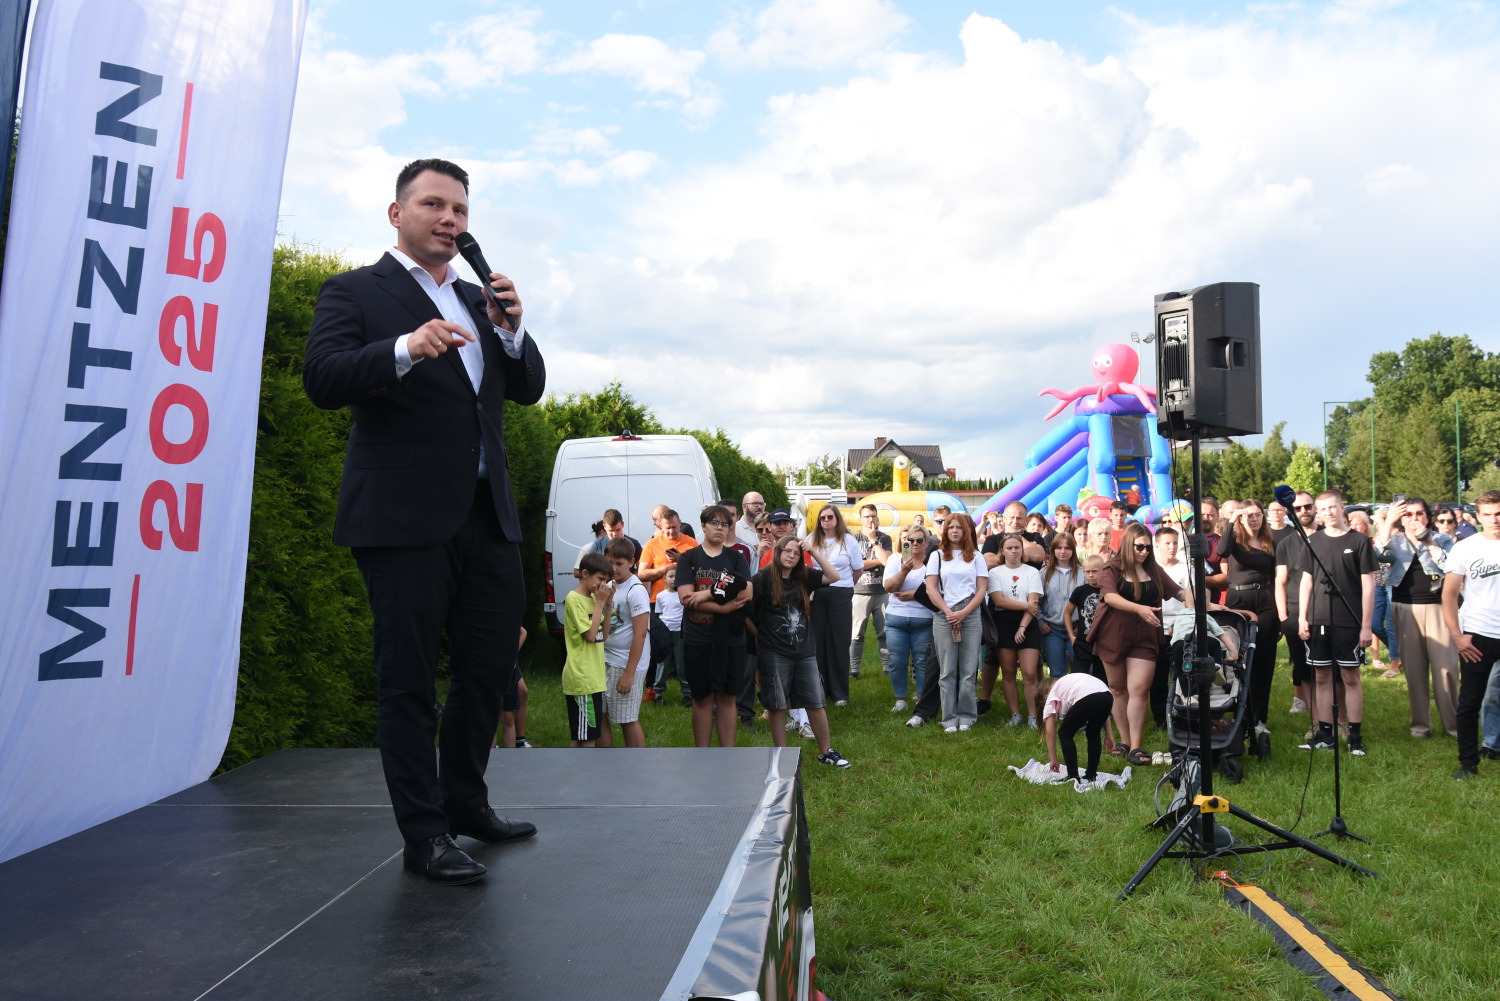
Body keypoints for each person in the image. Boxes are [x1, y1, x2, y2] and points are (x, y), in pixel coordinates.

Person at [302, 157, 544, 884]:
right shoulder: (354, 290)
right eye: (434, 204)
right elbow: (323, 378)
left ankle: (466, 802)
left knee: (490, 670)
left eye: (460, 209)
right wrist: (406, 348)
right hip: (402, 519)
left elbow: (527, 389)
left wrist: (511, 332)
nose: (449, 219)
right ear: (396, 213)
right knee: (407, 680)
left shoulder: (477, 297)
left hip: (487, 517)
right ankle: (424, 833)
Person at [1090, 522, 1191, 766]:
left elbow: (1179, 593)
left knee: (1139, 689)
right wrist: (1139, 608)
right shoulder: (1112, 568)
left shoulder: (1153, 569)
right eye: (1139, 547)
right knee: (1117, 689)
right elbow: (1109, 596)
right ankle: (1124, 741)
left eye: (1148, 547)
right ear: (1128, 544)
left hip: (1145, 636)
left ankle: (1135, 746)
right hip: (1114, 634)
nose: (1144, 552)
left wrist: (1203, 601)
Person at [748, 536, 852, 768]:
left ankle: (826, 752)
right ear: (778, 551)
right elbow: (745, 609)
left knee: (815, 701)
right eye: (787, 551)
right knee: (777, 704)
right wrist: (759, 635)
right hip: (774, 651)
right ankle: (781, 755)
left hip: (804, 650)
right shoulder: (763, 577)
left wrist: (812, 552)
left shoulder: (803, 575)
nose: (791, 556)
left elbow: (834, 576)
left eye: (796, 553)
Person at [1297, 491, 1376, 755]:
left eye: (1332, 507)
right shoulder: (1313, 541)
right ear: (1317, 513)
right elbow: (1306, 581)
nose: (1328, 513)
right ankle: (1325, 734)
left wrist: (1366, 626)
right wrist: (1302, 617)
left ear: (1342, 508)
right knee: (1321, 676)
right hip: (1318, 619)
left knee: (1350, 676)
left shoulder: (1360, 541)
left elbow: (1368, 586)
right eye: (1322, 509)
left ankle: (1355, 736)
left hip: (1349, 620)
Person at [1375, 497, 1458, 738]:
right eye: (1408, 514)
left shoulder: (1443, 539)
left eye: (1419, 513)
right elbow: (1378, 555)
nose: (1414, 519)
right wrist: (1388, 523)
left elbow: (1449, 567)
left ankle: (1454, 726)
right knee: (1414, 669)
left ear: (1427, 516)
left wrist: (1427, 540)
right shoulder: (1394, 540)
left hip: (1438, 608)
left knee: (1446, 669)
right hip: (1404, 608)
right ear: (1401, 519)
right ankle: (1420, 726)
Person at [675, 506, 754, 747]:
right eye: (714, 523)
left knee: (728, 697)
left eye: (725, 524)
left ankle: (726, 756)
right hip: (698, 637)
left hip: (730, 638)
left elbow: (746, 593)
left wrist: (706, 594)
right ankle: (702, 755)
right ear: (703, 526)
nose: (720, 528)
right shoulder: (688, 558)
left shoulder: (736, 558)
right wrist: (724, 607)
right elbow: (686, 598)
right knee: (702, 698)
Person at [1443, 491, 1500, 779]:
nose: (1494, 519)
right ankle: (1468, 764)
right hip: (1478, 635)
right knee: (1469, 702)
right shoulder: (1465, 548)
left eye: (1498, 513)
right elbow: (1449, 595)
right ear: (1477, 516)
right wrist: (1458, 637)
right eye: (1487, 514)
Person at [1216, 499, 1280, 737]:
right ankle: (1237, 715)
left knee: (1264, 661)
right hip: (1240, 602)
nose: (1254, 519)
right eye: (1249, 515)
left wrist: (1280, 616)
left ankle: (1258, 718)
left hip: (1266, 601)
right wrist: (1233, 520)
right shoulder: (1234, 539)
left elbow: (1275, 577)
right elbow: (1221, 551)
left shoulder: (1269, 542)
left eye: (1257, 514)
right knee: (1239, 661)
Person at [924, 513, 989, 732]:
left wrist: (964, 613)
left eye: (959, 527)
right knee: (947, 670)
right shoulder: (937, 555)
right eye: (950, 527)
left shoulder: (977, 557)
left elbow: (981, 590)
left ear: (966, 531)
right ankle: (949, 718)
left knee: (969, 670)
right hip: (944, 615)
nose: (954, 531)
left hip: (970, 614)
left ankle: (967, 716)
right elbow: (931, 588)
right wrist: (949, 612)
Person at [983, 534, 1045, 728]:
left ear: (1022, 550)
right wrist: (1026, 605)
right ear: (1002, 551)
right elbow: (999, 601)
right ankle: (1015, 714)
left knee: (1030, 673)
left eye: (1017, 547)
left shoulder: (1032, 572)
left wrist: (1023, 626)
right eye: (1009, 548)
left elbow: (1033, 604)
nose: (1014, 551)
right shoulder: (995, 573)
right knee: (1008, 672)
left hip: (1028, 623)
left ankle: (1033, 716)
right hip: (1003, 623)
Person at [809, 506, 864, 707]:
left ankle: (840, 693)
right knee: (818, 643)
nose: (826, 520)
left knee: (839, 642)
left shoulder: (848, 540)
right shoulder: (811, 539)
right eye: (822, 517)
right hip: (817, 594)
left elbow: (857, 570)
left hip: (841, 594)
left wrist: (846, 587)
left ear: (837, 519)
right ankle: (820, 691)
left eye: (830, 517)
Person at [599, 538, 650, 748]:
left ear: (631, 562)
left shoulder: (635, 590)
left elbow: (640, 634)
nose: (613, 568)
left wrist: (629, 673)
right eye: (609, 562)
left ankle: (636, 762)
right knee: (600, 713)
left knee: (626, 718)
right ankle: (605, 761)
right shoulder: (607, 585)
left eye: (619, 563)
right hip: (605, 659)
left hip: (625, 663)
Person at [563, 553, 614, 749]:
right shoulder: (574, 599)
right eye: (600, 579)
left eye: (607, 581)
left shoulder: (594, 598)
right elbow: (590, 636)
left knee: (581, 736)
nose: (604, 585)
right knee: (588, 740)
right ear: (585, 573)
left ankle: (573, 768)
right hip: (582, 678)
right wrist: (600, 603)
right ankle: (586, 769)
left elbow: (604, 635)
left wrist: (607, 605)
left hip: (593, 678)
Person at [1275, 491, 1318, 722]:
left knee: (1323, 661)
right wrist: (1283, 616)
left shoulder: (1326, 537)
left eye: (1307, 506)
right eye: (1298, 508)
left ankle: (1325, 703)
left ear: (1315, 507)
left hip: (1323, 608)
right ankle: (1300, 700)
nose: (1303, 511)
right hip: (1293, 608)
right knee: (1299, 660)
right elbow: (1280, 581)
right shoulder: (1285, 544)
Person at [884, 525, 934, 714]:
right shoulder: (895, 560)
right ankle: (901, 700)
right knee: (896, 661)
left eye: (919, 540)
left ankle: (921, 699)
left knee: (922, 662)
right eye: (910, 540)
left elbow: (936, 591)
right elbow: (889, 587)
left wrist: (914, 594)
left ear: (926, 543)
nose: (914, 544)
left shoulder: (932, 562)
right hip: (896, 619)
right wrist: (904, 571)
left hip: (923, 619)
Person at [1034, 673, 1114, 783]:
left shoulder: (1052, 694)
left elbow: (1050, 732)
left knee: (1064, 733)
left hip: (1089, 697)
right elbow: (1097, 696)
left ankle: (1073, 775)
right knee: (1093, 732)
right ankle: (1091, 774)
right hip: (1107, 696)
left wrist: (1053, 759)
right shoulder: (1068, 683)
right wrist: (1109, 734)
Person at [1153, 526, 1192, 729]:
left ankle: (1183, 711)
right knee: (1158, 675)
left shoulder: (1186, 569)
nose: (1172, 547)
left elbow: (1192, 598)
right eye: (1167, 543)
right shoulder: (1150, 569)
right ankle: (1160, 717)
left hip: (1180, 627)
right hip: (1157, 626)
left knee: (1182, 672)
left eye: (1175, 543)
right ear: (1157, 545)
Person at [850, 504, 893, 681]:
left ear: (878, 518)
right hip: (859, 592)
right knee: (856, 634)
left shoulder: (885, 538)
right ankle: (854, 671)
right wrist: (877, 561)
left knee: (884, 633)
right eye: (867, 516)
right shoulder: (853, 539)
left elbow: (887, 561)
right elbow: (854, 565)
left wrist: (874, 540)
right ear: (860, 519)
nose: (870, 519)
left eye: (873, 516)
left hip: (881, 591)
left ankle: (887, 669)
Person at [1038, 533, 1085, 680]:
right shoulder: (1044, 573)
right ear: (1053, 550)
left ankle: (1081, 695)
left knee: (1083, 670)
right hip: (1052, 630)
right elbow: (1036, 601)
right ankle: (1059, 696)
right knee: (1057, 673)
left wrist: (1082, 624)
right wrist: (1040, 621)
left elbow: (1088, 602)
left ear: (1073, 550)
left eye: (1067, 548)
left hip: (1076, 629)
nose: (1063, 551)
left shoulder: (1083, 573)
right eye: (1059, 548)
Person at [639, 509, 698, 604]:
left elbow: (700, 571)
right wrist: (665, 569)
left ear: (680, 523)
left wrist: (681, 560)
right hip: (659, 601)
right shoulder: (652, 544)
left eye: (674, 527)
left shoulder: (692, 543)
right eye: (668, 528)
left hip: (685, 599)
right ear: (661, 526)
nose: (671, 531)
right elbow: (642, 575)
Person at [652, 567, 688, 706]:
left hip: (680, 631)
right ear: (665, 579)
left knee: (681, 662)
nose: (674, 579)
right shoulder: (660, 596)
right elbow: (660, 614)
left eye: (676, 576)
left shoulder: (683, 595)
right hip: (665, 632)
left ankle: (687, 692)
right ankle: (658, 693)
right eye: (671, 576)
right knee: (662, 663)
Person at [983, 500, 1046, 569]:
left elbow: (1037, 556)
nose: (1015, 522)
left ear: (1026, 520)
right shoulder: (993, 539)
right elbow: (988, 562)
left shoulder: (1035, 537)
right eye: (1012, 517)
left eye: (1019, 518)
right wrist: (1026, 553)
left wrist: (1016, 535)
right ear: (1004, 519)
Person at [496, 626, 530, 748]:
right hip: (489, 667)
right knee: (491, 717)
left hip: (508, 667)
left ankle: (519, 742)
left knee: (509, 716)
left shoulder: (507, 620)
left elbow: (522, 632)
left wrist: (510, 656)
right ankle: (490, 751)